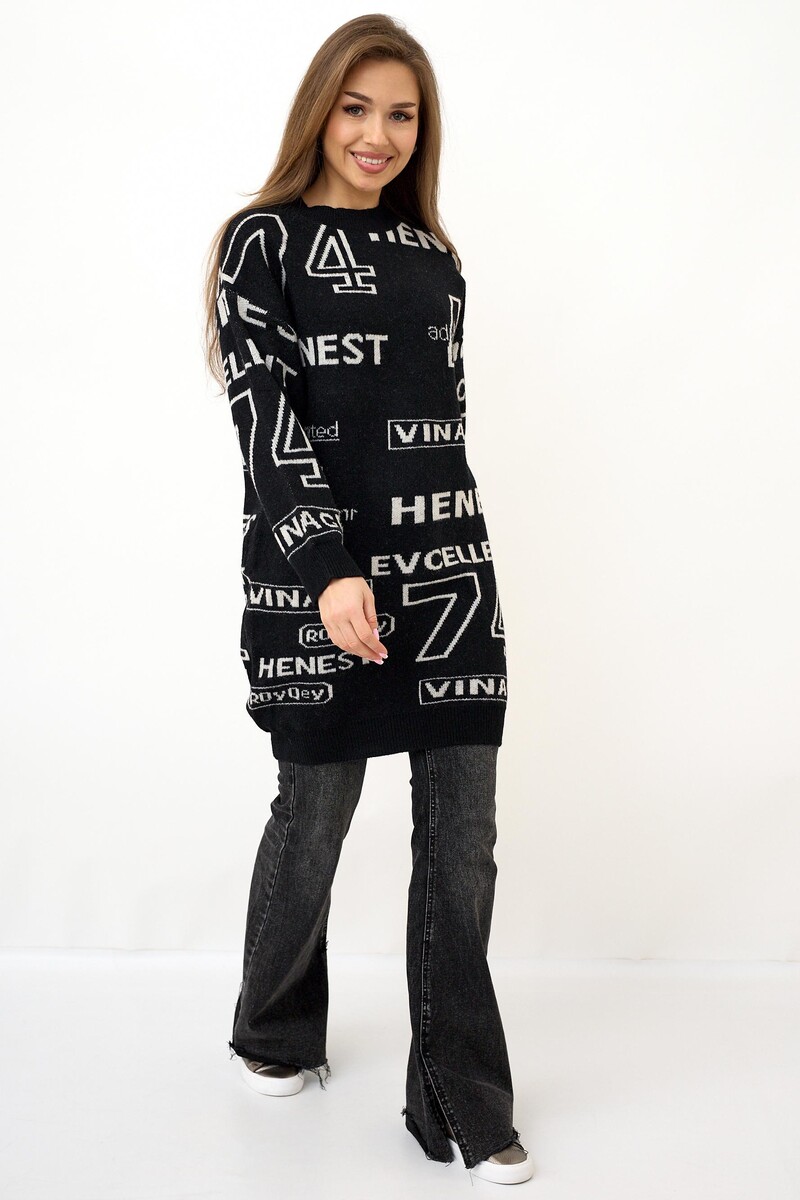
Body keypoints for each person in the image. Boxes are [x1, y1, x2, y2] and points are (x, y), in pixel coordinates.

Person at [202, 13, 532, 1186]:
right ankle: (275, 1024)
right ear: (320, 112)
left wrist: (439, 559)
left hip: (448, 568)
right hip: (315, 574)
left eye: (400, 114)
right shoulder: (262, 242)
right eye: (356, 108)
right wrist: (328, 567)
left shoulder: (434, 258)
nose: (377, 134)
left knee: (463, 839)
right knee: (316, 809)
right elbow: (266, 421)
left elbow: (441, 427)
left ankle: (455, 1098)